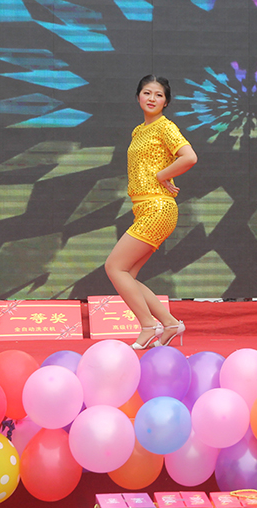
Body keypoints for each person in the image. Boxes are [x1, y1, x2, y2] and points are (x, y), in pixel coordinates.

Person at [106, 75, 197, 349]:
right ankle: (170, 323)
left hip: (157, 207)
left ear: (166, 102)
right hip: (145, 208)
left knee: (114, 267)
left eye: (159, 95)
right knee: (127, 274)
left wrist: (162, 175)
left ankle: (148, 325)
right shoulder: (139, 131)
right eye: (147, 93)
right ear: (138, 97)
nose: (152, 98)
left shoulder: (165, 127)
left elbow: (189, 157)